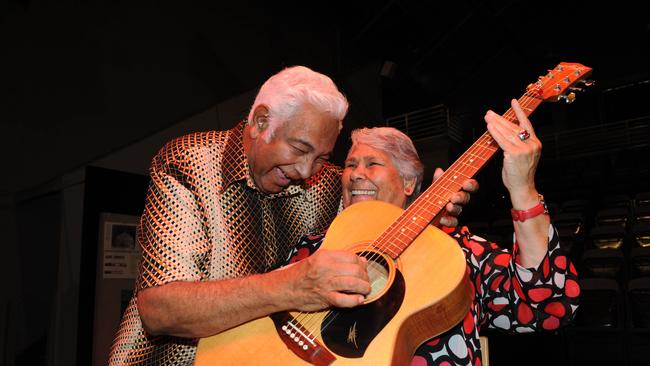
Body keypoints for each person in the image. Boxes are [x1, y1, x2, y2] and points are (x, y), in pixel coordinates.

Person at [108, 65, 476, 365]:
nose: (305, 171)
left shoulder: (325, 182)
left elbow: (374, 223)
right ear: (261, 122)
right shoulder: (188, 162)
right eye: (299, 148)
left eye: (320, 158)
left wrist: (426, 209)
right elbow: (160, 310)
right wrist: (292, 286)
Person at [284, 101, 579, 365]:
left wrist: (523, 189)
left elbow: (550, 304)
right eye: (350, 165)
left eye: (372, 163)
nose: (356, 173)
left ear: (410, 183)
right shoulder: (315, 245)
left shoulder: (455, 252)